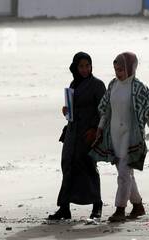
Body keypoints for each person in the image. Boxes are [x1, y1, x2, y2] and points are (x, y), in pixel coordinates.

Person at [87, 51, 149, 223]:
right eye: (116, 69)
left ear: (131, 68)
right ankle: (138, 206)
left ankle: (120, 209)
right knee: (126, 173)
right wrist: (100, 129)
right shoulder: (113, 85)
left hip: (131, 137)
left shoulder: (138, 88)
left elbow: (148, 112)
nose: (118, 73)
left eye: (121, 70)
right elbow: (106, 110)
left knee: (124, 174)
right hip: (114, 136)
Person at [48, 52, 106, 221]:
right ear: (75, 67)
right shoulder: (74, 84)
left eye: (87, 65)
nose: (85, 69)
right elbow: (73, 110)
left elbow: (104, 110)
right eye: (81, 66)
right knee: (67, 165)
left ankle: (97, 205)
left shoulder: (97, 85)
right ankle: (64, 207)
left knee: (88, 166)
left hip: (88, 133)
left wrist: (96, 129)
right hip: (72, 133)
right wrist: (66, 111)